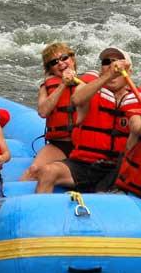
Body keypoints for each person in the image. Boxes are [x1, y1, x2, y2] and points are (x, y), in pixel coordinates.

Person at [34, 47, 141, 193]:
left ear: (129, 70)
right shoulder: (88, 90)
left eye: (117, 62)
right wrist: (108, 76)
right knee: (47, 171)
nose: (112, 66)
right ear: (101, 71)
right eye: (106, 62)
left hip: (119, 168)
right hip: (85, 165)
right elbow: (77, 98)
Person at [19, 43, 96, 181]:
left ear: (72, 59)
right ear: (50, 70)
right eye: (54, 62)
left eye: (64, 58)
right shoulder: (46, 87)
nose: (60, 63)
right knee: (34, 170)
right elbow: (43, 112)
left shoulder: (91, 82)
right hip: (60, 144)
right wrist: (62, 85)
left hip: (86, 145)